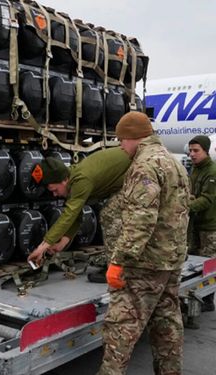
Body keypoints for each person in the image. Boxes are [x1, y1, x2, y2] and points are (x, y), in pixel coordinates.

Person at [97, 111, 190, 375]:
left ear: (133, 138)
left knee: (121, 327)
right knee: (167, 322)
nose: (120, 146)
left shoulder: (144, 166)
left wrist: (118, 261)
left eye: (121, 140)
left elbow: (141, 220)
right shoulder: (174, 163)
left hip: (145, 263)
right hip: (171, 260)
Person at [27, 147, 132, 283]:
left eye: (54, 189)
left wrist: (42, 247)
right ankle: (117, 264)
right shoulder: (73, 179)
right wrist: (61, 244)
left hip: (138, 174)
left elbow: (69, 215)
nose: (54, 194)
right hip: (127, 179)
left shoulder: (81, 180)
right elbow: (76, 214)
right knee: (110, 212)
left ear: (64, 180)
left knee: (110, 215)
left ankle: (117, 270)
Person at [187, 135, 216, 312]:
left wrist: (185, 207)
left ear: (205, 151)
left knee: (208, 265)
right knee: (195, 264)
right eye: (190, 151)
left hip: (209, 227)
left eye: (196, 151)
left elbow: (207, 199)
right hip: (196, 225)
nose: (192, 154)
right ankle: (198, 297)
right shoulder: (196, 169)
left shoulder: (212, 172)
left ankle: (208, 299)